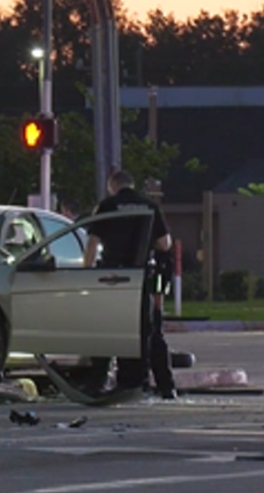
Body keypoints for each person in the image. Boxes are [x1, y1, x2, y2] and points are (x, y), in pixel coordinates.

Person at [84, 170, 176, 399]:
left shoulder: (107, 206)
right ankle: (156, 384)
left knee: (106, 330)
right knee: (147, 331)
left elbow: (92, 244)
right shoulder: (149, 206)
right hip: (140, 277)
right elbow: (165, 244)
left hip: (110, 276)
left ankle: (97, 381)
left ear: (112, 186)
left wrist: (87, 274)